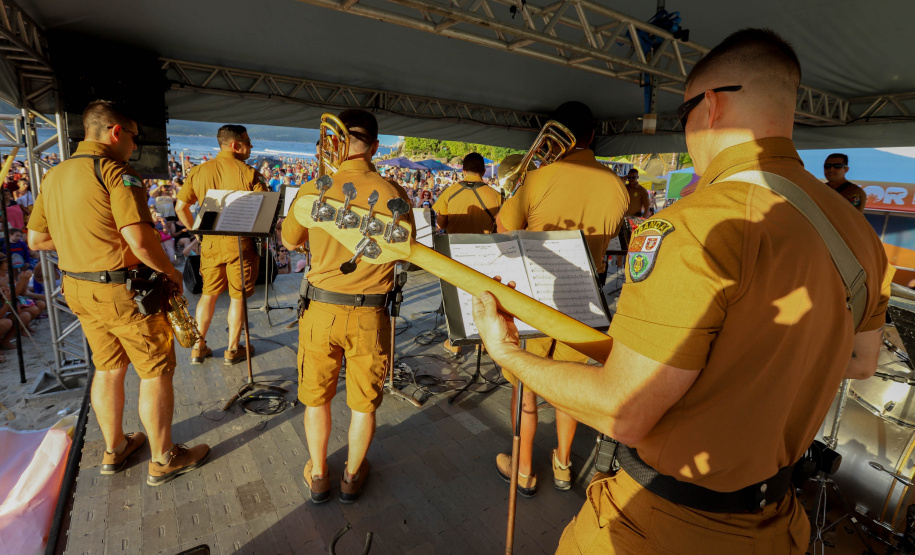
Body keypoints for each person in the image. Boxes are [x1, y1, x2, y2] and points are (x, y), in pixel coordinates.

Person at [472, 29, 893, 553]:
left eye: (683, 114)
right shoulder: (856, 231)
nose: (686, 130)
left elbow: (623, 411)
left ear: (710, 106)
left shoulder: (698, 222)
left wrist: (506, 352)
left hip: (663, 524)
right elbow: (859, 359)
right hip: (778, 522)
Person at [27, 100, 209, 485]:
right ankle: (164, 457)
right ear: (115, 132)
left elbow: (37, 239)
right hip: (123, 290)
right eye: (133, 138)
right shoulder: (115, 171)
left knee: (108, 369)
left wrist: (84, 240)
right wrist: (172, 272)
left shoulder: (55, 174)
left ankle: (114, 448)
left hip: (77, 286)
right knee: (155, 372)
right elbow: (140, 241)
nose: (133, 146)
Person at [493, 101, 628, 497]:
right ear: (591, 137)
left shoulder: (539, 177)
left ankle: (523, 470)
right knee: (570, 386)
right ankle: (564, 465)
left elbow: (503, 230)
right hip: (585, 301)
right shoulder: (619, 186)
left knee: (526, 385)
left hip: (537, 296)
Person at [282, 109, 414, 504]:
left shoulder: (313, 189)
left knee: (316, 397)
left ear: (334, 143)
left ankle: (319, 474)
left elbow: (289, 242)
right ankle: (352, 478)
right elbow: (404, 250)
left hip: (321, 310)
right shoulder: (395, 193)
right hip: (371, 314)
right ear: (375, 145)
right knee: (363, 404)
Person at [175, 125, 268, 365]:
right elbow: (265, 215)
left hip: (210, 243)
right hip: (240, 243)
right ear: (235, 145)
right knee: (238, 298)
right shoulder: (250, 174)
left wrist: (199, 233)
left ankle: (199, 347)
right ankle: (233, 350)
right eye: (248, 141)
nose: (251, 145)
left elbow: (180, 208)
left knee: (208, 295)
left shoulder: (198, 171)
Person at [432, 153, 502, 234]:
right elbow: (501, 228)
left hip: (454, 245)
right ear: (483, 172)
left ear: (464, 171)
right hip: (485, 245)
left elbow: (441, 225)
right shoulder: (497, 196)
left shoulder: (449, 192)